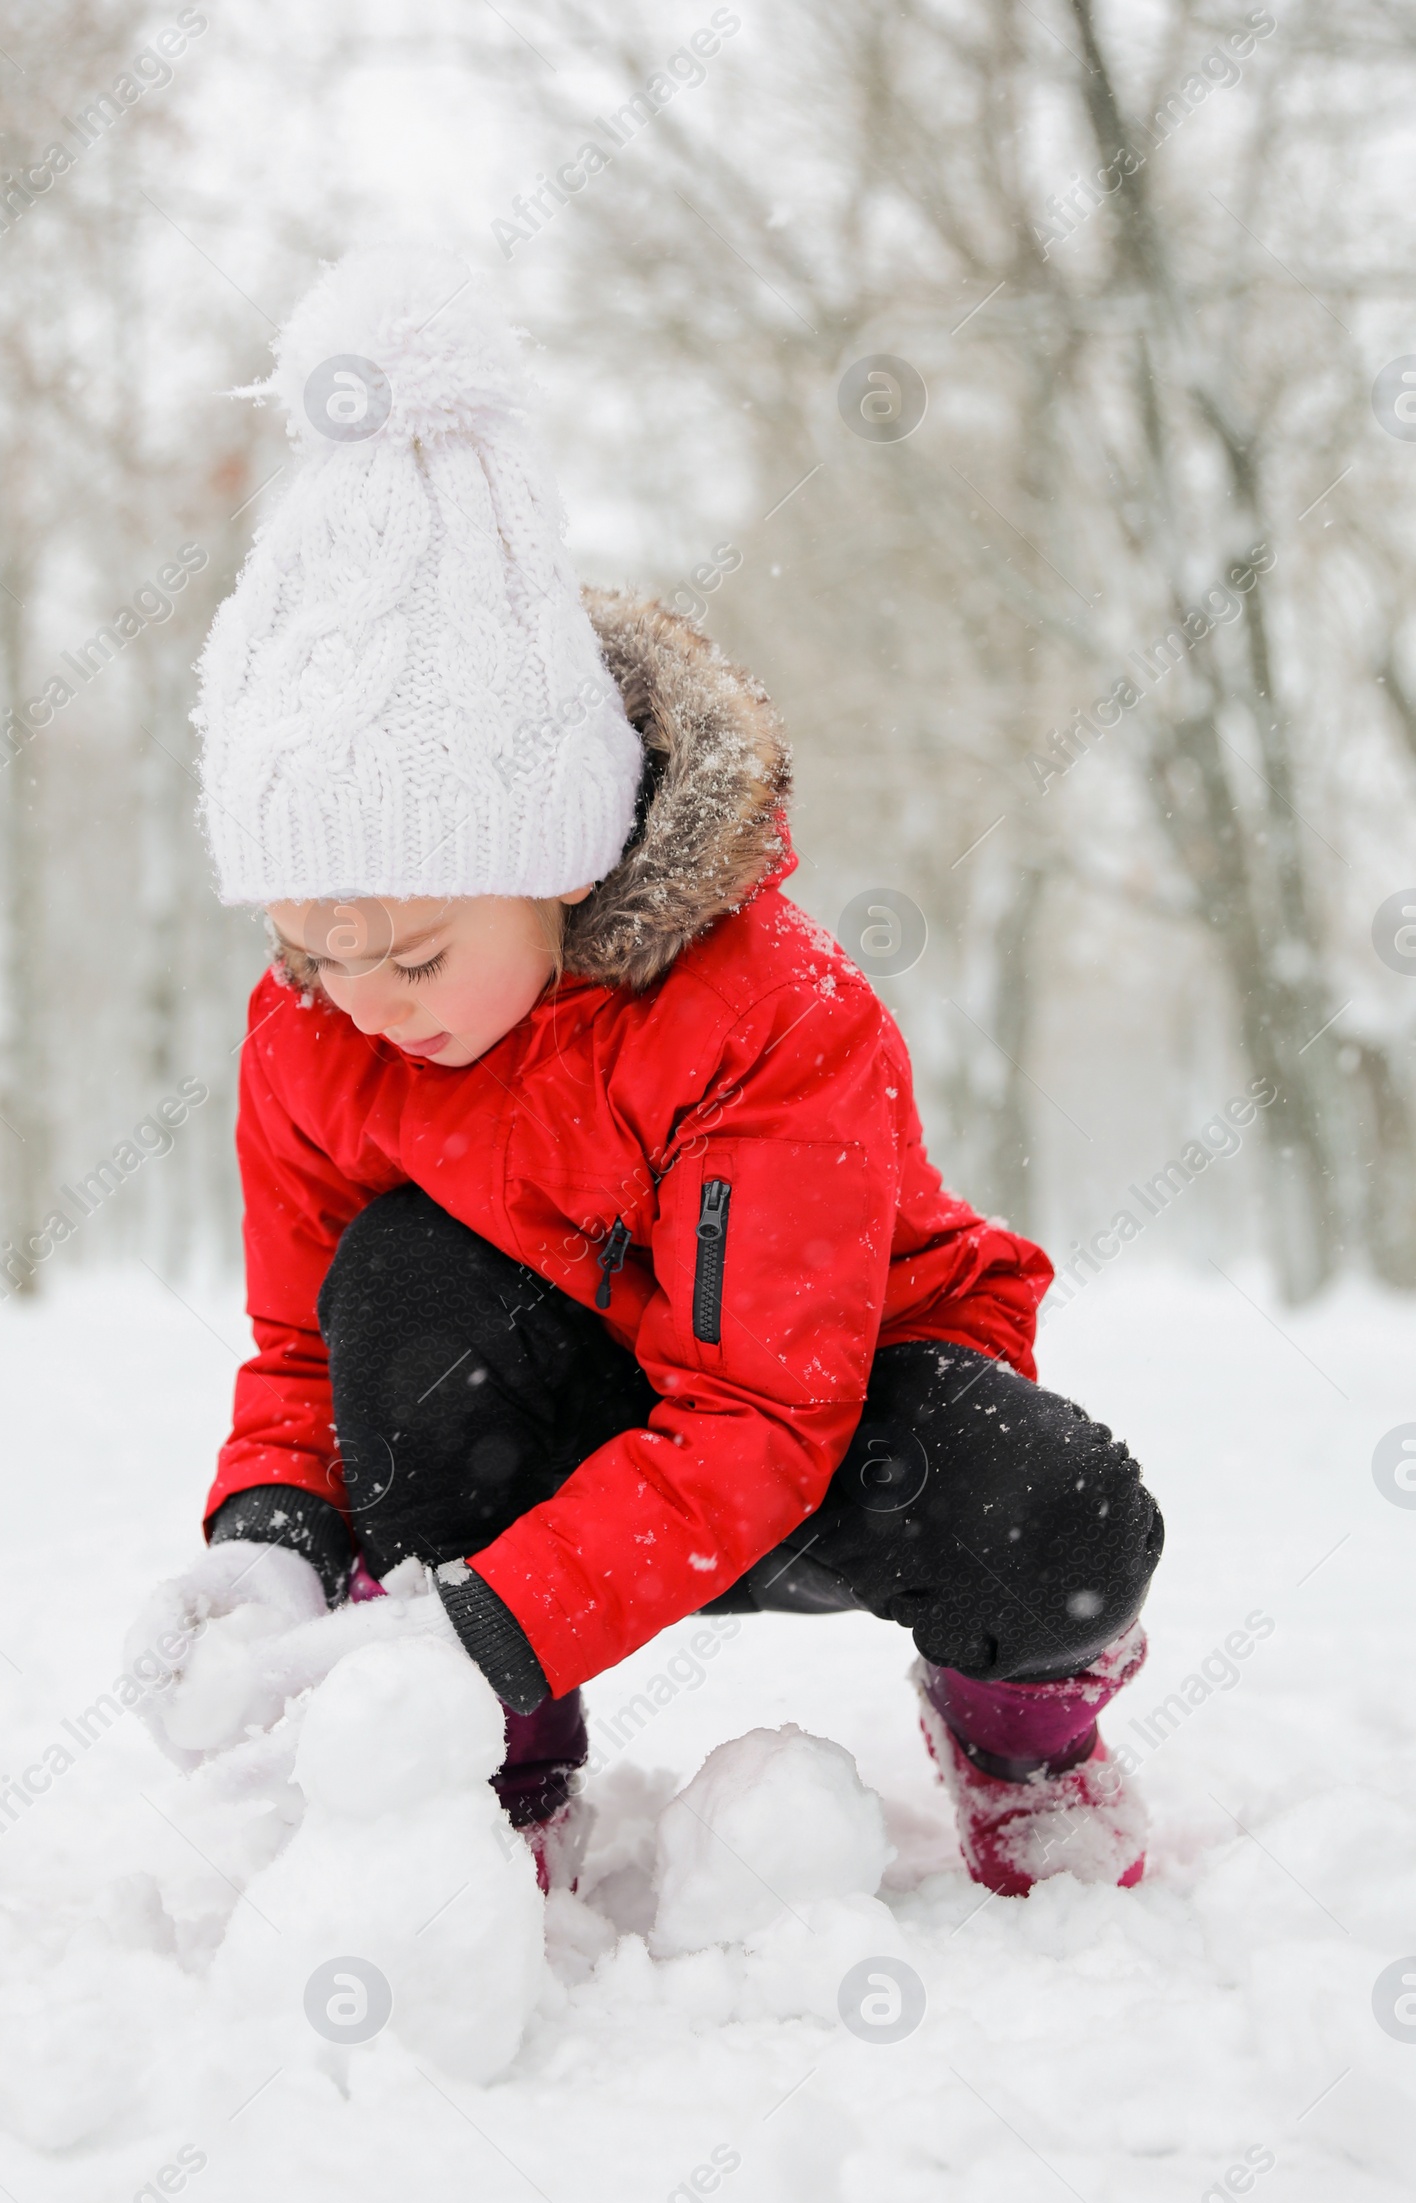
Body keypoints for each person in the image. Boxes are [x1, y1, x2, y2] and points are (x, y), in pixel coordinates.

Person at [151, 244, 1161, 1901]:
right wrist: (268, 1544)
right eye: (318, 954)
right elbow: (296, 1356)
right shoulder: (319, 1034)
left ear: (551, 861)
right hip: (557, 1437)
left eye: (413, 956)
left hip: (834, 1430)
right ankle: (492, 1767)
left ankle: (1018, 1736)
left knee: (1058, 1513)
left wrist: (474, 1628)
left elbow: (762, 1414)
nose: (370, 1006)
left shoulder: (772, 1018)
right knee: (393, 1288)